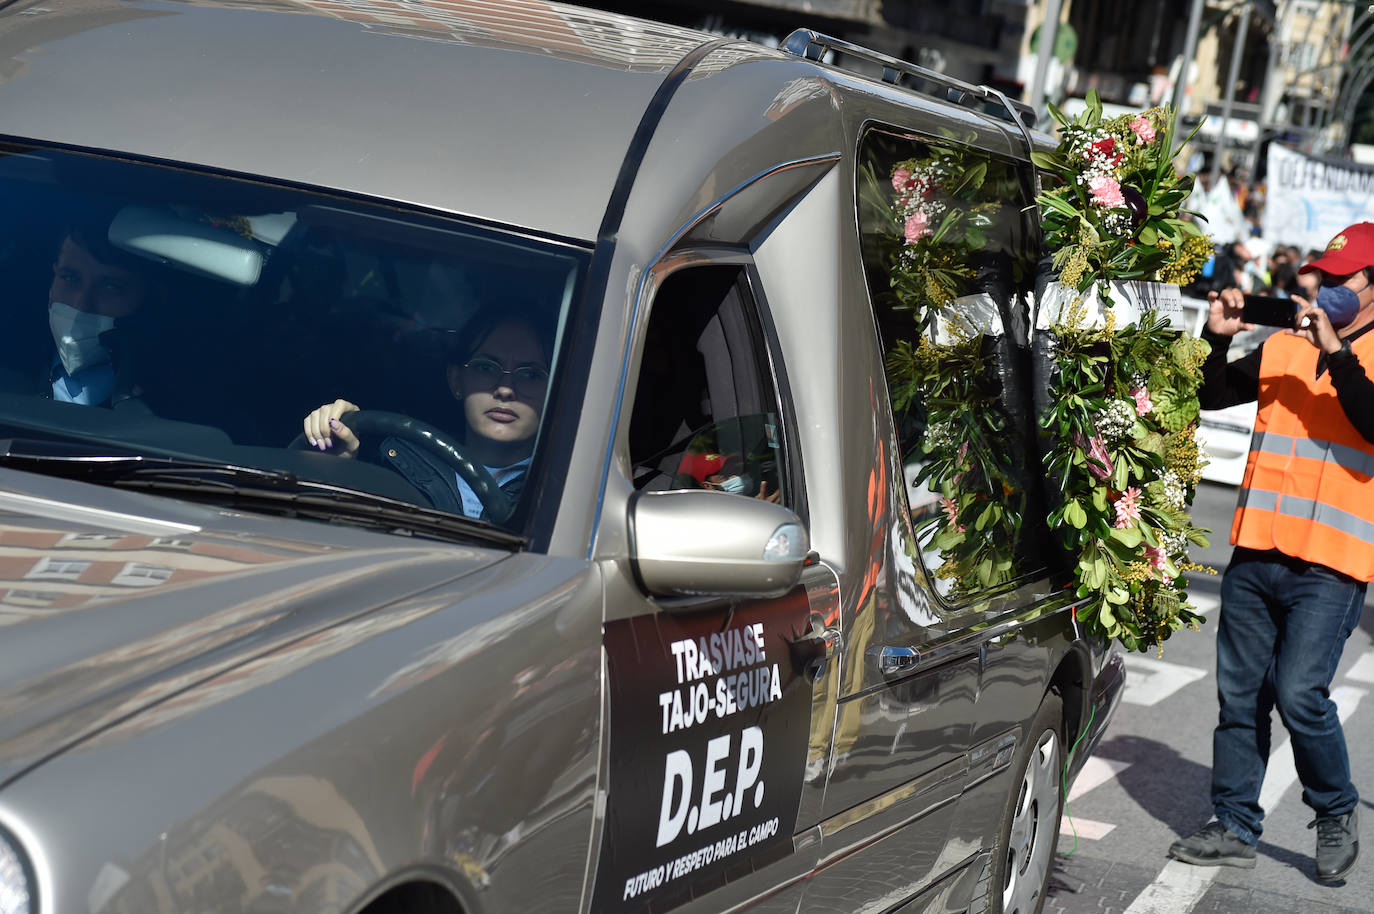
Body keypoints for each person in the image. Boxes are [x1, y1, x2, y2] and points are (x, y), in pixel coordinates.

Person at [1168, 222, 1374, 882]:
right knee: (1241, 696)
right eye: (1321, 275)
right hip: (1257, 551)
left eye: (1341, 279)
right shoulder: (1284, 344)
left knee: (1299, 693)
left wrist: (1337, 350)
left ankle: (1335, 808)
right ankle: (1233, 824)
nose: (1323, 286)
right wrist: (1216, 337)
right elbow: (1207, 392)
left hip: (1333, 563)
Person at [301, 308, 551, 520]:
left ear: (554, 388)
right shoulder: (392, 465)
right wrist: (337, 466)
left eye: (529, 374)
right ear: (456, 381)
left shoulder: (568, 496)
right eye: (486, 367)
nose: (505, 389)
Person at [3, 219, 154, 406]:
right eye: (70, 278)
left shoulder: (164, 397)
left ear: (146, 298)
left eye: (111, 287)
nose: (81, 305)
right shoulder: (9, 366)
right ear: (52, 282)